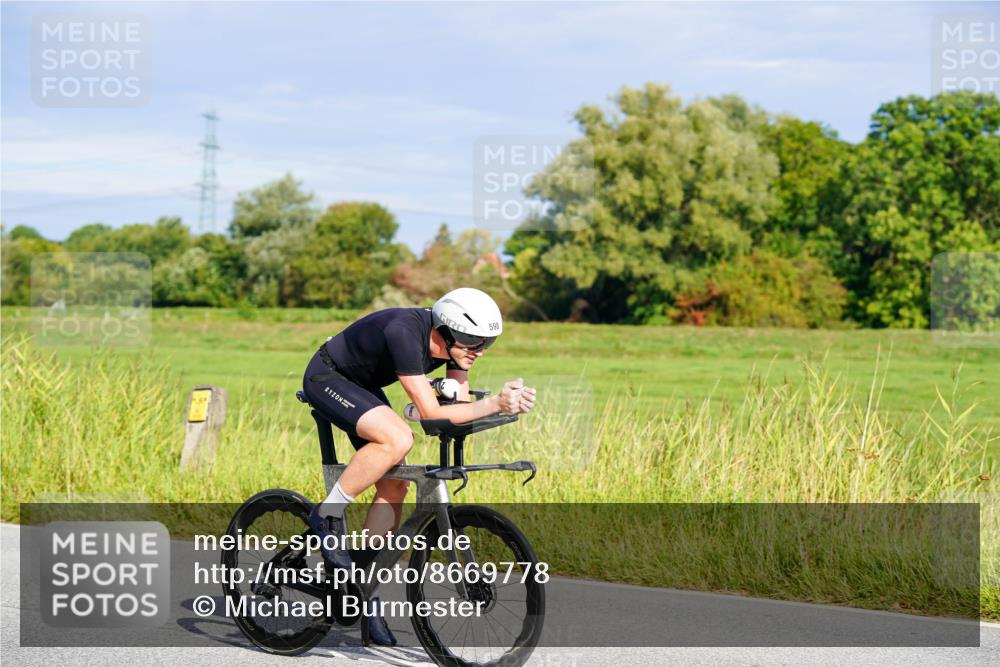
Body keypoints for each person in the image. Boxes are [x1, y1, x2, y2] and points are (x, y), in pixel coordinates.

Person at [301, 287, 535, 645]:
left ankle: (363, 590)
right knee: (397, 439)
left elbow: (454, 409)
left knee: (396, 485)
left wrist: (506, 406)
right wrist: (492, 404)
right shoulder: (405, 332)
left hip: (363, 386)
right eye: (472, 341)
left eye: (487, 343)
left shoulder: (458, 351)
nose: (479, 350)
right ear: (445, 331)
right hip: (328, 377)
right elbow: (431, 413)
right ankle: (327, 513)